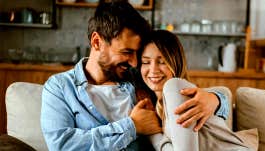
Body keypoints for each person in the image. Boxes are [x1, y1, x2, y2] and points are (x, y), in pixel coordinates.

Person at [41, 0, 229, 150]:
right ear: (97, 42)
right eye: (126, 52)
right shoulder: (60, 87)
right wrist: (132, 126)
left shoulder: (138, 79)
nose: (134, 62)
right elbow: (62, 145)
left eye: (136, 54)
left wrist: (216, 100)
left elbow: (187, 98)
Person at [136, 30, 258, 151]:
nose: (153, 70)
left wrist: (153, 135)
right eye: (145, 62)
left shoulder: (175, 87)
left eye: (162, 62)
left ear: (176, 63)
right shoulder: (157, 107)